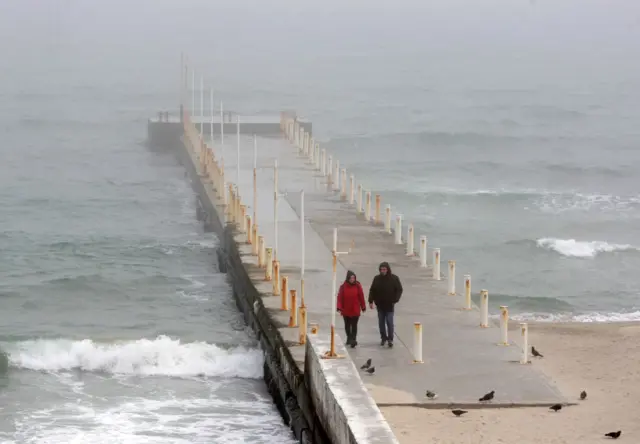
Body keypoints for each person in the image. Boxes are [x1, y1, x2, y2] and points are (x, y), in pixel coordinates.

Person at [368, 261, 403, 348]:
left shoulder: (394, 278)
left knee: (390, 323)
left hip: (389, 306)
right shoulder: (376, 279)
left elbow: (399, 289)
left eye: (384, 269)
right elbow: (372, 290)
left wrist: (395, 299)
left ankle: (390, 339)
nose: (383, 271)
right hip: (380, 305)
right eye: (381, 269)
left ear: (388, 269)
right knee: (381, 323)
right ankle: (383, 338)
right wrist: (370, 301)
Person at [337, 270, 366, 348]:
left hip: (355, 309)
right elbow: (340, 298)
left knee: (354, 325)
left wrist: (363, 306)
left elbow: (361, 296)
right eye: (351, 278)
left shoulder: (358, 286)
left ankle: (353, 339)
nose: (352, 279)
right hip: (346, 309)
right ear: (348, 278)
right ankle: (349, 338)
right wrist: (339, 307)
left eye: (354, 278)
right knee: (347, 325)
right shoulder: (343, 287)